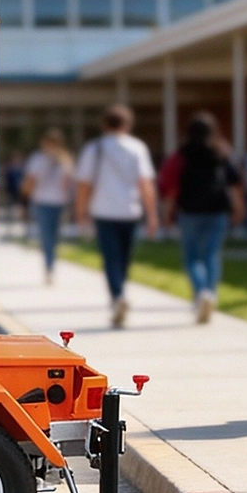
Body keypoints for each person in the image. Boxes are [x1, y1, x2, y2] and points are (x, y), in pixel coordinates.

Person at [75, 105, 158, 328]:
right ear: (128, 124)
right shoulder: (137, 147)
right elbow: (145, 183)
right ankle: (120, 292)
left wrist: (80, 211)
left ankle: (117, 296)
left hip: (104, 211)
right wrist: (152, 214)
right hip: (130, 211)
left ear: (103, 124)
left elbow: (84, 184)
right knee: (124, 258)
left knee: (110, 258)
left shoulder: (94, 148)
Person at [159, 113, 245, 323]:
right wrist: (239, 207)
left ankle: (201, 293)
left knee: (191, 257)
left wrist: (167, 213)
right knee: (211, 255)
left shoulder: (181, 154)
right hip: (217, 211)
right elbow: (234, 182)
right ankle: (210, 293)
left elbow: (171, 187)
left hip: (189, 211)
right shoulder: (220, 153)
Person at [22, 129, 74, 284]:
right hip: (52, 202)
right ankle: (50, 265)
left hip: (46, 201)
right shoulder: (62, 160)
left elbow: (30, 182)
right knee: (50, 236)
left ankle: (49, 265)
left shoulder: (45, 159)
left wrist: (24, 199)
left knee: (48, 236)